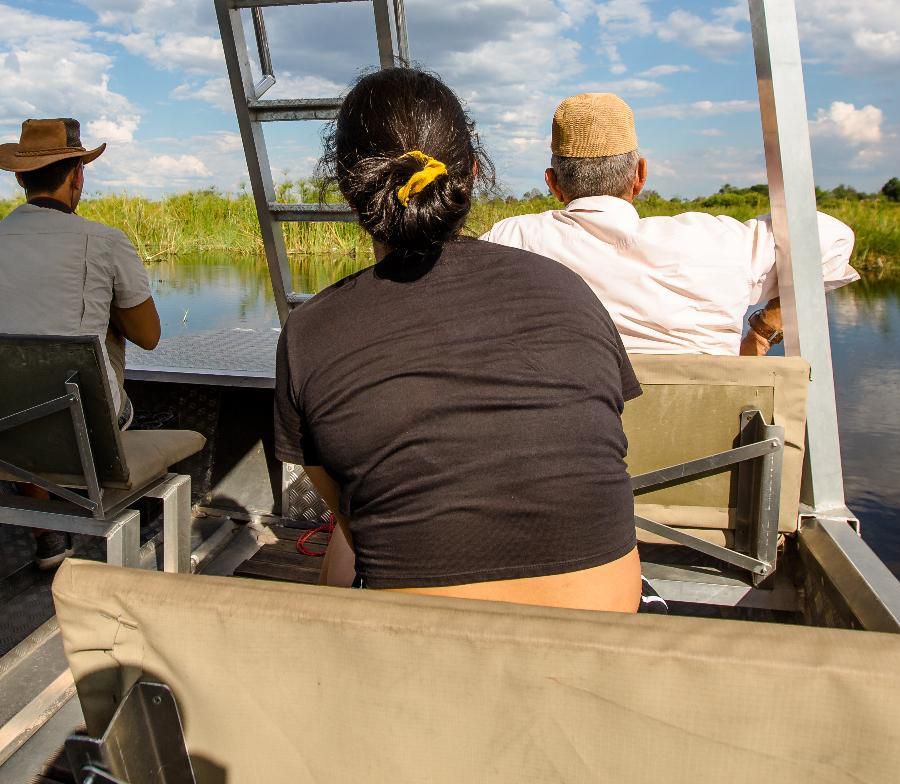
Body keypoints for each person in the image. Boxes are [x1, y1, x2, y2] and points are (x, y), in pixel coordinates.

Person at [274, 67, 646, 613]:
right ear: (471, 174)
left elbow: (352, 515)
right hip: (602, 648)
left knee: (343, 543)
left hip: (424, 658)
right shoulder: (568, 291)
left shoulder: (310, 333)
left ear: (352, 194)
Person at [0, 116, 161, 568]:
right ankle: (103, 511)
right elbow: (149, 336)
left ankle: (48, 532)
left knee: (11, 391)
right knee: (89, 363)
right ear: (78, 175)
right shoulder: (104, 241)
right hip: (81, 426)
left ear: (19, 176)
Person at [482, 93, 858, 356]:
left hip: (571, 463)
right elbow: (830, 239)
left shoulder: (510, 241)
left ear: (552, 183)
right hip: (712, 464)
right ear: (640, 175)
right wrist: (761, 330)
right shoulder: (716, 242)